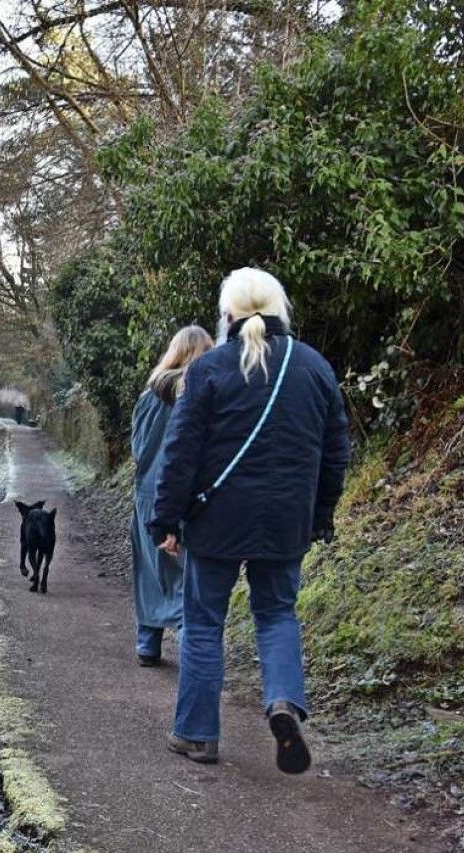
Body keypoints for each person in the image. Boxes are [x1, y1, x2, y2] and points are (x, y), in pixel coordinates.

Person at [148, 267, 350, 774]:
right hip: (286, 520)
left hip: (216, 520)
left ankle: (197, 734)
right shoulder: (314, 367)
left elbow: (181, 452)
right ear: (281, 309)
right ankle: (282, 702)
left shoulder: (210, 368)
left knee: (203, 623)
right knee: (278, 615)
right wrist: (319, 515)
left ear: (228, 314)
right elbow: (335, 452)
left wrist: (165, 518)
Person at [131, 325, 213, 667]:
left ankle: (147, 645)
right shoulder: (199, 395)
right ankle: (193, 647)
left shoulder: (149, 395)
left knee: (148, 570)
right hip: (184, 492)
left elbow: (136, 447)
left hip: (147, 492)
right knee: (185, 574)